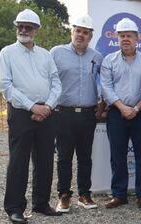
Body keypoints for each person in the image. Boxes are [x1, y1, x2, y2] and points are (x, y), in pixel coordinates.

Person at [0, 9, 62, 224]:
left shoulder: (45, 55)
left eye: (28, 26)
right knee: (19, 161)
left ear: (36, 30)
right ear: (17, 28)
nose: (24, 29)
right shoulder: (7, 53)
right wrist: (32, 107)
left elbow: (56, 83)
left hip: (46, 113)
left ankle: (41, 203)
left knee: (44, 159)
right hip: (21, 114)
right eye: (20, 26)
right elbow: (5, 86)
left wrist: (48, 107)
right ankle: (15, 208)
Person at [51, 14, 104, 213]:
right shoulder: (56, 53)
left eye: (85, 32)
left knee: (85, 156)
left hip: (87, 115)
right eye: (78, 31)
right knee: (64, 156)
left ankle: (84, 194)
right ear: (71, 32)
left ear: (90, 36)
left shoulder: (96, 57)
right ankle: (64, 196)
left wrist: (102, 104)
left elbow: (103, 83)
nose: (80, 35)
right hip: (63, 113)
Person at [100, 18, 141, 210]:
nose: (125, 39)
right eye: (122, 36)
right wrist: (122, 107)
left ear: (137, 38)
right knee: (117, 154)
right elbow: (106, 87)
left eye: (129, 36)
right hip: (116, 113)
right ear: (117, 38)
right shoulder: (109, 61)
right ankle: (119, 194)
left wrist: (137, 108)